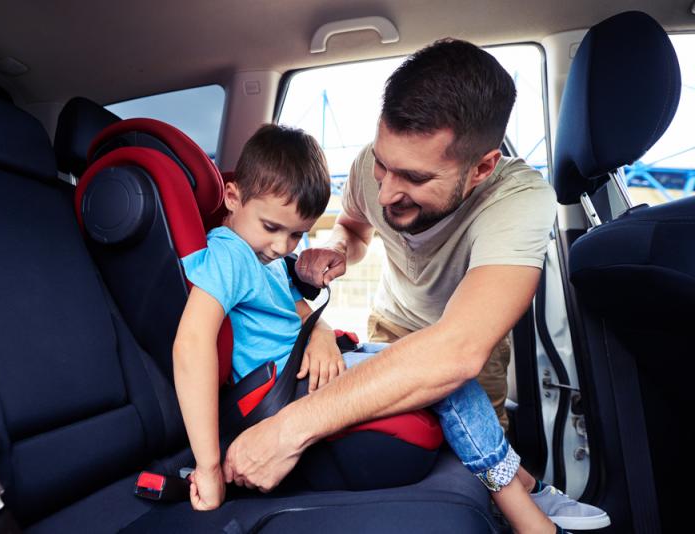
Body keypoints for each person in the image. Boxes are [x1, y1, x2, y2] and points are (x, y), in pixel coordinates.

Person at [221, 41, 610, 532]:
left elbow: (456, 351)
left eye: (413, 177)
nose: (385, 191)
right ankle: (527, 491)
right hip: (388, 325)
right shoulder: (369, 169)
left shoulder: (519, 198)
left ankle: (527, 496)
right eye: (383, 165)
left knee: (477, 469)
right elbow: (357, 227)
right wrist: (338, 250)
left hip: (464, 344)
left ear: (482, 167)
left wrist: (285, 433)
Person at [173, 123, 565, 533]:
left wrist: (321, 334)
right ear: (232, 197)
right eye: (272, 228)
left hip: (307, 373)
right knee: (450, 383)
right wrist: (209, 466)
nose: (283, 247)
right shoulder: (230, 253)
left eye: (297, 235)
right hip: (282, 392)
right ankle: (525, 510)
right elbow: (192, 345)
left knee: (425, 360)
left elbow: (298, 310)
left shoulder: (263, 258)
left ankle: (517, 482)